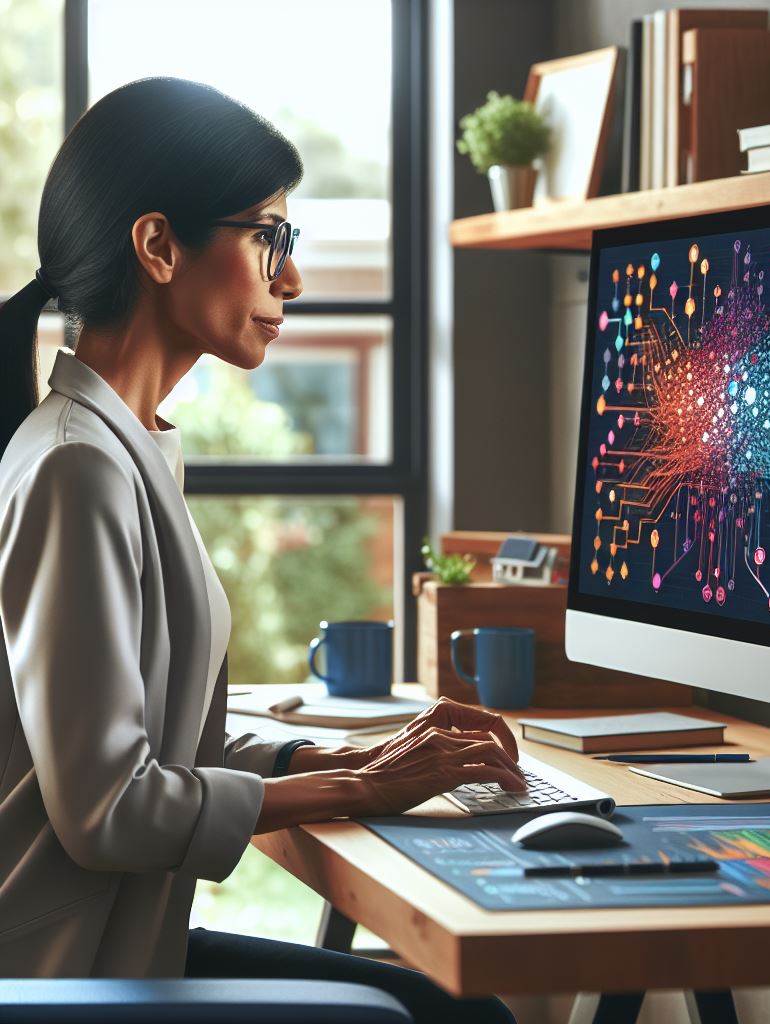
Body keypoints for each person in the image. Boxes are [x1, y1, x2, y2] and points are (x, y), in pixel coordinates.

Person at [0, 77, 525, 1023]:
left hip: (116, 949)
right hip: (61, 978)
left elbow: (150, 736)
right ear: (159, 246)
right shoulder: (77, 469)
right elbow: (106, 807)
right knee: (453, 1016)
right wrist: (360, 783)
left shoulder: (126, 445)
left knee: (450, 1005)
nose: (291, 279)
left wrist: (319, 755)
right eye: (267, 237)